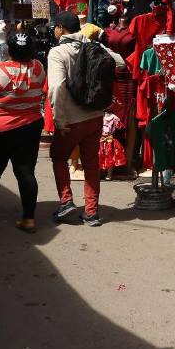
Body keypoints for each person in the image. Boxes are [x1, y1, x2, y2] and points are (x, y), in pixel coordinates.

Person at [47, 11, 124, 226]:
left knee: (59, 157)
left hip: (71, 119)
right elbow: (120, 62)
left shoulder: (57, 52)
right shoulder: (92, 45)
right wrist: (96, 45)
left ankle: (66, 201)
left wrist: (59, 118)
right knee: (91, 163)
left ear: (61, 29)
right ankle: (91, 212)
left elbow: (56, 87)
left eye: (55, 28)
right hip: (95, 116)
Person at [0, 33, 46, 233]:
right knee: (26, 172)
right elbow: (24, 77)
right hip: (30, 126)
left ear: (9, 50)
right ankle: (29, 219)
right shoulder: (39, 67)